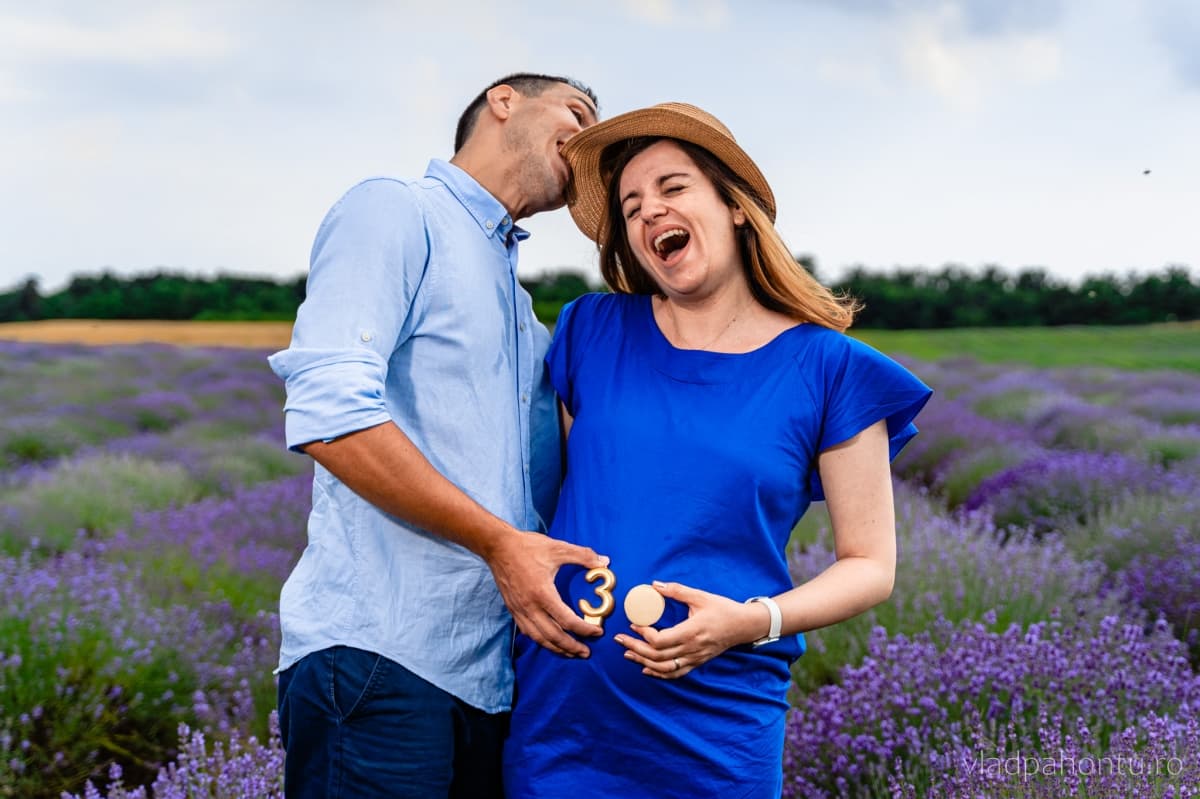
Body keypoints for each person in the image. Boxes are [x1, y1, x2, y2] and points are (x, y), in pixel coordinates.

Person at [503, 103, 933, 798]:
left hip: (716, 728)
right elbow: (553, 500)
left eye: (673, 189)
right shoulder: (591, 329)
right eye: (632, 204)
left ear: (733, 205)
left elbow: (870, 565)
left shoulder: (830, 368)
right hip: (563, 717)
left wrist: (750, 621)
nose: (649, 213)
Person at [268, 73, 608, 799]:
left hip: (489, 679)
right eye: (577, 114)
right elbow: (331, 412)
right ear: (503, 101)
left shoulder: (520, 308)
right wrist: (498, 542)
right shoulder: (397, 210)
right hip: (380, 661)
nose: (588, 145)